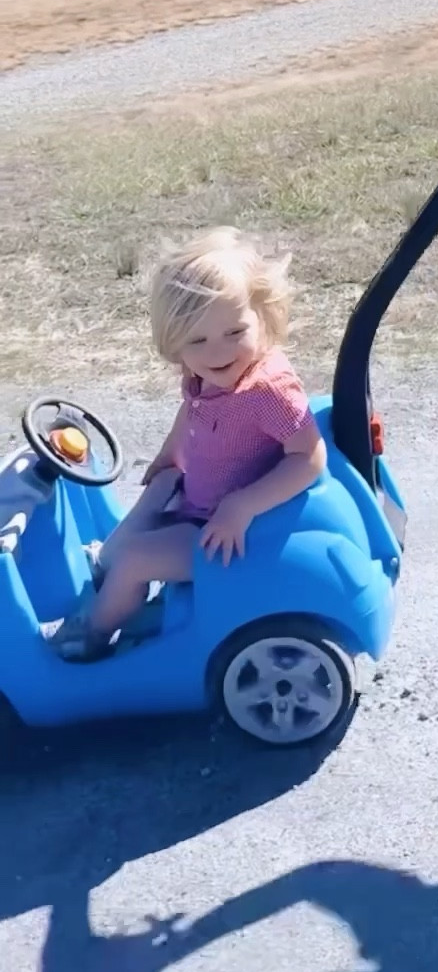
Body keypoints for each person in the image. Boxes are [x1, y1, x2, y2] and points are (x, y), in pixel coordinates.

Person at [55, 226, 326, 661]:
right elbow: (193, 411)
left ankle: (91, 635)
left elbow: (310, 457)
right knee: (133, 526)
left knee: (132, 563)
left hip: (229, 529)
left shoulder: (267, 391)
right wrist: (170, 456)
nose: (217, 351)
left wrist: (243, 506)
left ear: (262, 314)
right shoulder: (204, 373)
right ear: (177, 342)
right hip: (199, 502)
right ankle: (116, 584)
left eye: (234, 332)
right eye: (197, 340)